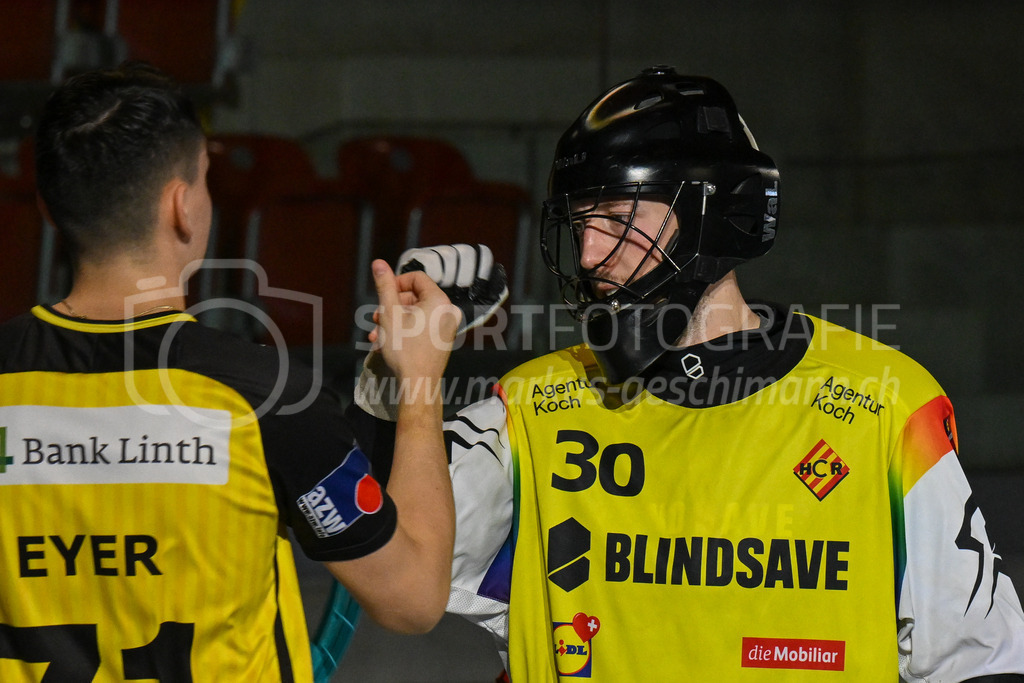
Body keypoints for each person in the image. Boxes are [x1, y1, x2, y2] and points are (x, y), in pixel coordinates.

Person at [352, 66, 1024, 680]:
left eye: (616, 218)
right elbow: (383, 553)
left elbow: (978, 659)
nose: (588, 254)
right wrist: (397, 376)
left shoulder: (886, 404)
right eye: (580, 223)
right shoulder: (532, 406)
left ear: (716, 214)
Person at [0, 62, 458, 681]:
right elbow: (413, 598)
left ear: (49, 212)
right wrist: (422, 382)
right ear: (182, 206)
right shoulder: (265, 394)